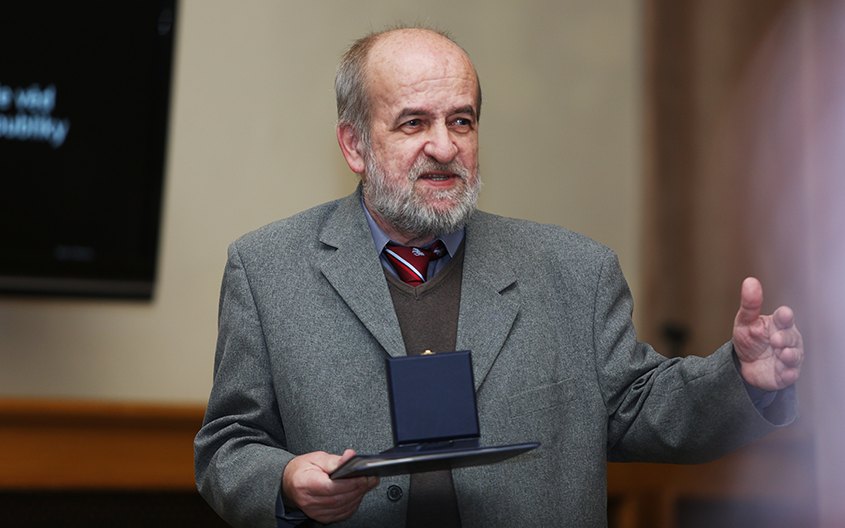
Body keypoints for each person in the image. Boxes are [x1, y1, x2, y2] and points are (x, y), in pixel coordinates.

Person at [194, 26, 803, 528]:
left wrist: (743, 380)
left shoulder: (575, 273)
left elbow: (640, 410)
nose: (444, 147)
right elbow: (228, 444)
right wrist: (286, 481)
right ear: (355, 145)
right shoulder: (268, 270)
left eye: (461, 121)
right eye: (413, 124)